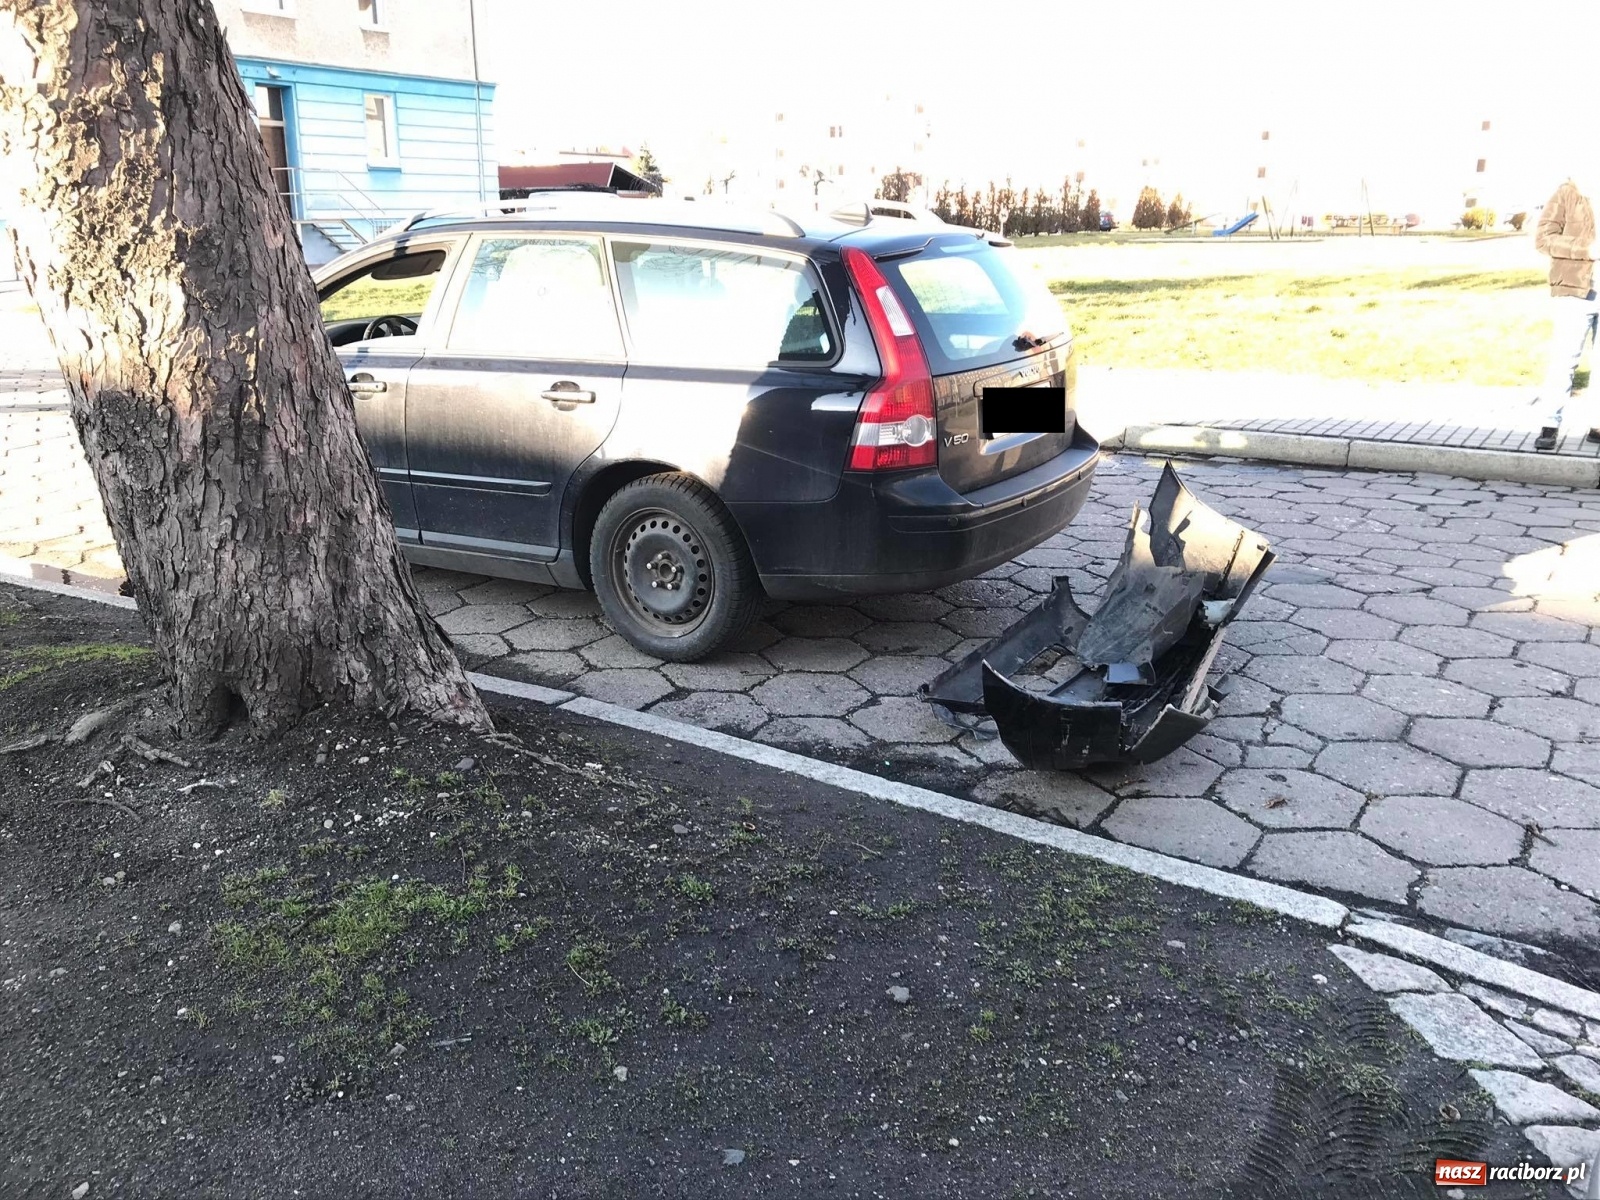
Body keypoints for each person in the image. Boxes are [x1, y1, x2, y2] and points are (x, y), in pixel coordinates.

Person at [1533, 174, 1600, 450]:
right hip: (1576, 289)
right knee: (1564, 359)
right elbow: (1543, 239)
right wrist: (1587, 250)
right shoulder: (1569, 192)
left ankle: (1597, 423)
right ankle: (1550, 424)